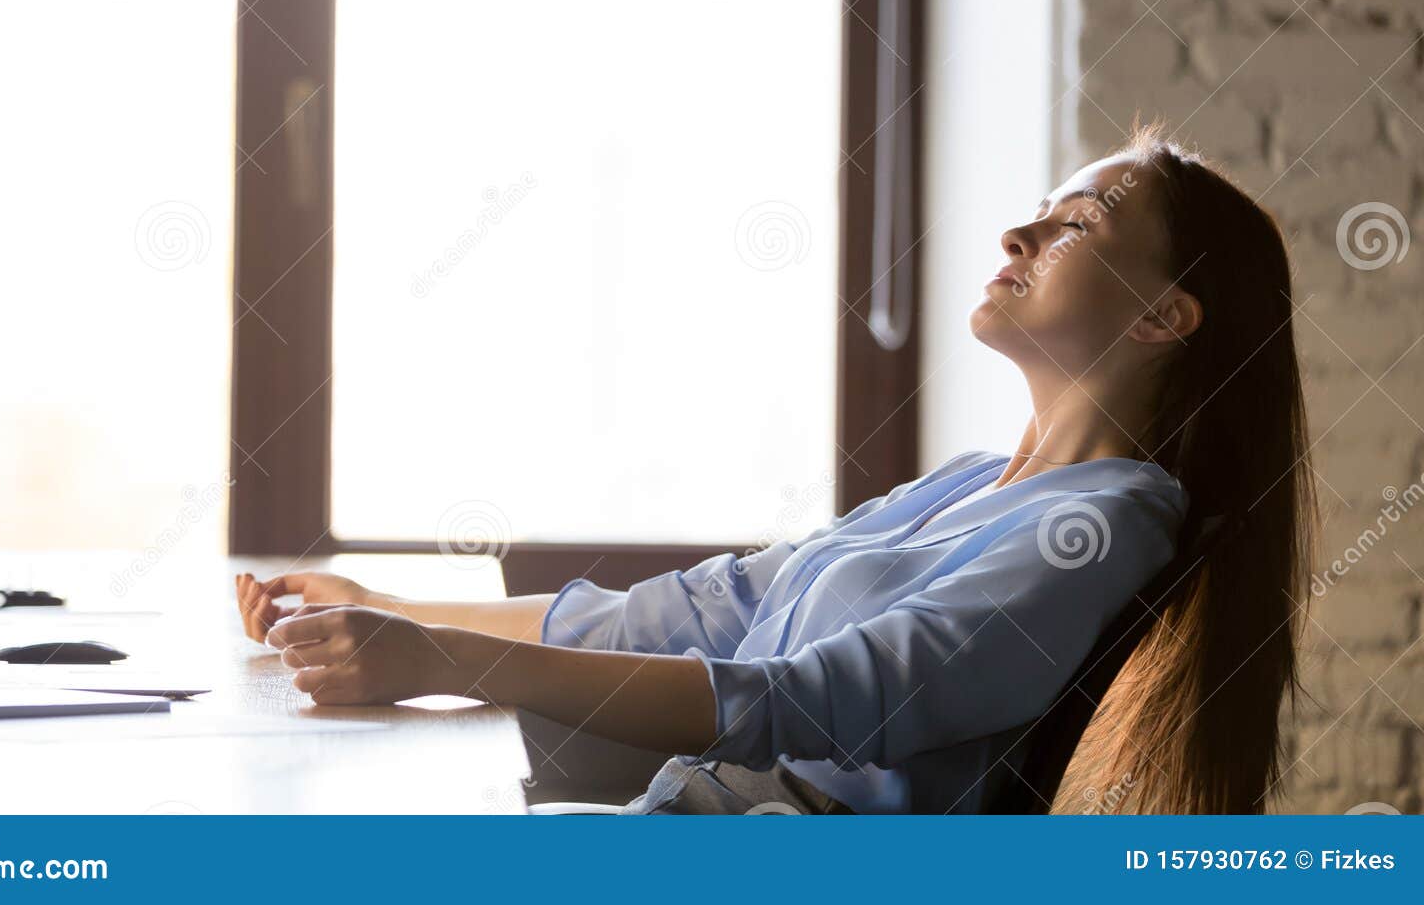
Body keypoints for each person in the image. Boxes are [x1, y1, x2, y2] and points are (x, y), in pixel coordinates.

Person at [235, 127, 1313, 814]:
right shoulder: (971, 484)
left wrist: (450, 659)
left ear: (1166, 317)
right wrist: (389, 605)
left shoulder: (1107, 525)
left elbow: (822, 701)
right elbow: (710, 610)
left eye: (1077, 223)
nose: (1020, 230)